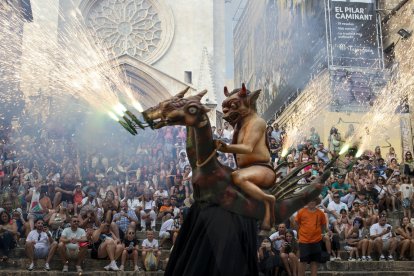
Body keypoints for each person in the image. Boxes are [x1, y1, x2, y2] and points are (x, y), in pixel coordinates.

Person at [295, 198, 327, 276]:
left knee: (315, 261)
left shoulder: (320, 213)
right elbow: (296, 223)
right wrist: (299, 234)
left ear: (316, 202)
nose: (311, 202)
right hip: (304, 241)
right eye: (310, 200)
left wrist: (321, 233)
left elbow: (323, 225)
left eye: (313, 200)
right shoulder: (301, 212)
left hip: (316, 241)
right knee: (302, 261)